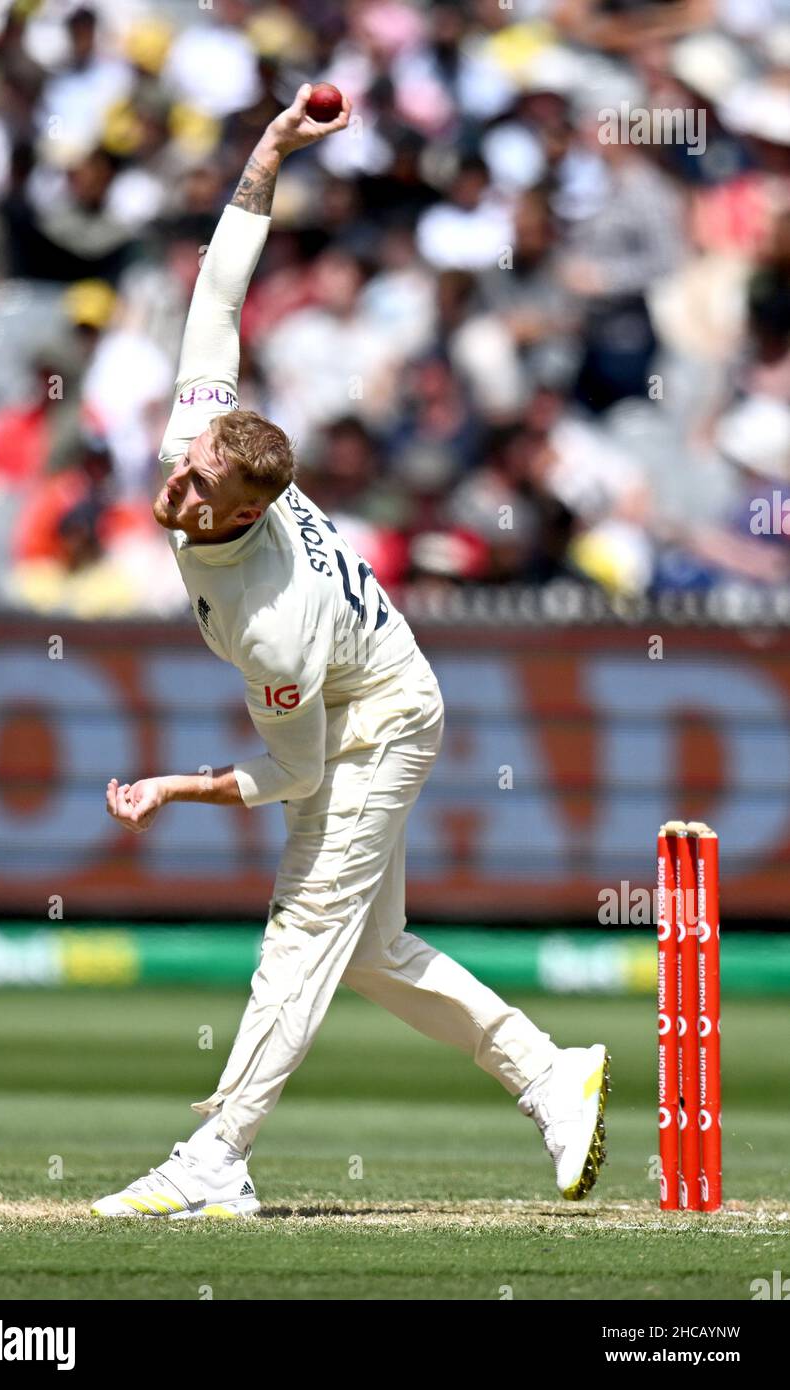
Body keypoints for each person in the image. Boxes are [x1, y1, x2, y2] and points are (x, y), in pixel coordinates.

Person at [92, 86, 609, 1220]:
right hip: (369, 683)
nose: (169, 484)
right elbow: (220, 288)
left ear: (240, 511)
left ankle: (213, 1159)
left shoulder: (271, 620)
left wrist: (181, 784)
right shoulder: (201, 434)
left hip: (376, 718)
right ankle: (547, 1072)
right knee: (371, 950)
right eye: (183, 467)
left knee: (306, 928)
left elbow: (298, 771)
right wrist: (268, 152)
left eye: (195, 489)